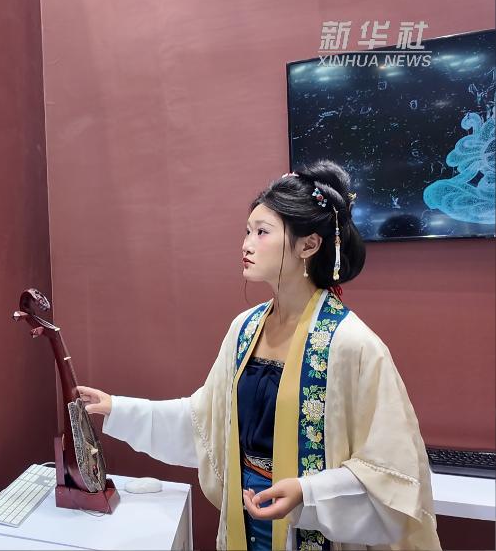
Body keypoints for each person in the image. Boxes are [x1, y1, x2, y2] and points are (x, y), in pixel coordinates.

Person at [77, 161, 441, 550]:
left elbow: (391, 470)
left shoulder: (352, 344)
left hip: (308, 523)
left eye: (262, 232)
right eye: (247, 231)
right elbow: (207, 419)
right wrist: (117, 408)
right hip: (245, 512)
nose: (247, 244)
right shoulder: (245, 329)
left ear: (308, 245)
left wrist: (307, 493)